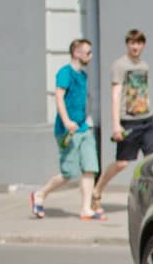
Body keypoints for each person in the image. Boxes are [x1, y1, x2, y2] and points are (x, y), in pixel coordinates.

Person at [29, 38, 101, 220]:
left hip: (84, 128)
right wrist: (67, 121)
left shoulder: (83, 75)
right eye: (88, 52)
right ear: (76, 53)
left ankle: (85, 209)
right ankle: (40, 194)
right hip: (67, 130)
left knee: (90, 168)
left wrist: (87, 119)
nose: (91, 56)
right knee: (68, 173)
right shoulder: (65, 73)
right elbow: (59, 98)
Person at [93, 28, 153, 206]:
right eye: (132, 43)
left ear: (143, 45)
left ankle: (151, 198)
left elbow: (144, 91)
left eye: (139, 43)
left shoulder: (144, 66)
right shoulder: (120, 65)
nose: (135, 47)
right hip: (129, 122)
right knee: (122, 163)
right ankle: (97, 189)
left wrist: (148, 105)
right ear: (127, 45)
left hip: (147, 120)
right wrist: (116, 125)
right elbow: (116, 94)